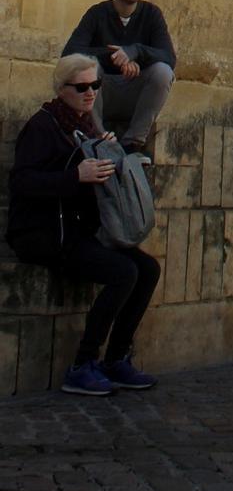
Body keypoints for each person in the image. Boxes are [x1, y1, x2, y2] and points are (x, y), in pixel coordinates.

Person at [5, 54, 160, 395]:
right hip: (44, 232)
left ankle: (116, 358)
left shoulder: (87, 126)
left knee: (147, 268)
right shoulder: (43, 126)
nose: (90, 93)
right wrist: (75, 177)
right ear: (62, 89)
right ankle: (82, 364)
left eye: (96, 85)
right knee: (124, 272)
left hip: (79, 228)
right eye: (82, 87)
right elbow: (23, 183)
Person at [62, 0, 176, 155]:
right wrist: (116, 57)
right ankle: (98, 137)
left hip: (134, 93)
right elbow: (70, 54)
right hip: (101, 93)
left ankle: (133, 142)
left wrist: (135, 52)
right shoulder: (97, 13)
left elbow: (169, 57)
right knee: (86, 66)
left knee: (163, 72)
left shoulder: (151, 14)